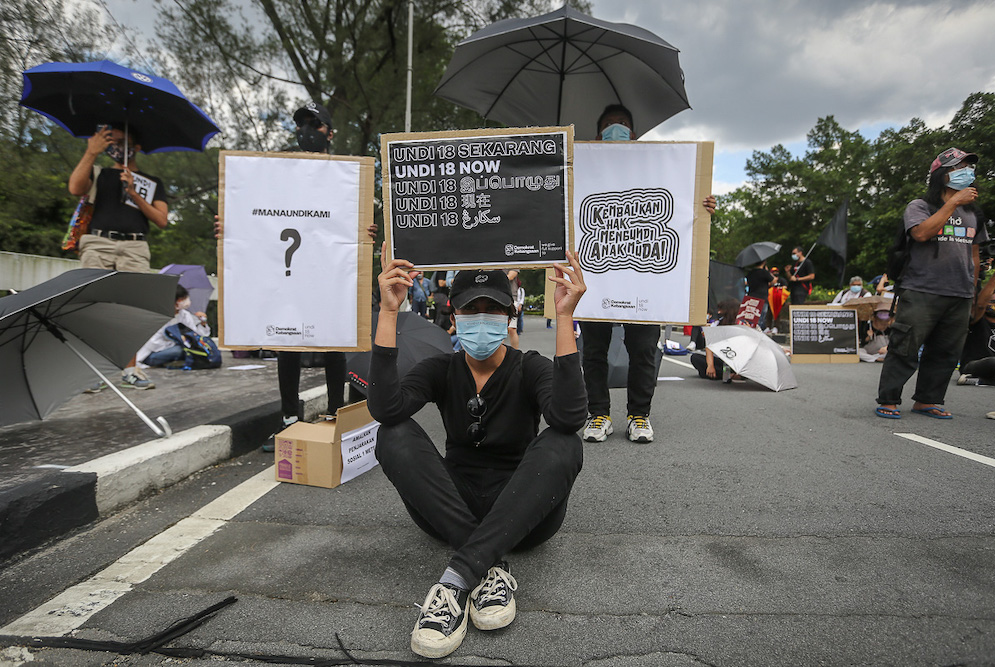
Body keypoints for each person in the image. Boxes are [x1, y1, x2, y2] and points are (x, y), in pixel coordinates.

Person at [369, 245, 588, 659]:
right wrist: (388, 311)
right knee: (392, 434)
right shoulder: (439, 369)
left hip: (523, 512)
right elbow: (386, 409)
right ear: (455, 319)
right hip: (453, 507)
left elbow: (569, 416)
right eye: (472, 311)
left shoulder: (531, 366)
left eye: (493, 311)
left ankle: (458, 578)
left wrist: (564, 318)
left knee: (564, 442)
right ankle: (489, 566)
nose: (482, 321)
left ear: (510, 319)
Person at [216, 101, 377, 449]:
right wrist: (230, 225)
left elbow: (353, 225)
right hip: (287, 270)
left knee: (334, 341)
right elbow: (257, 214)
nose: (307, 131)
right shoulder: (277, 173)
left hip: (325, 272)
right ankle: (289, 419)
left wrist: (367, 233)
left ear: (330, 133)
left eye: (315, 124)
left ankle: (336, 414)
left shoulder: (346, 178)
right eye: (302, 124)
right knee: (286, 342)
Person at [580, 103, 717, 444]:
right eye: (610, 124)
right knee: (593, 352)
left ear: (635, 135)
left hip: (645, 282)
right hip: (596, 282)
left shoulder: (657, 170)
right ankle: (598, 414)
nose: (617, 129)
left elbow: (682, 204)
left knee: (642, 350)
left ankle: (639, 416)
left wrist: (702, 205)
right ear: (598, 135)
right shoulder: (580, 171)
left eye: (622, 124)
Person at [875, 147, 989, 419]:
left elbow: (974, 255)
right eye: (959, 168)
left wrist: (972, 291)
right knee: (905, 346)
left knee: (946, 351)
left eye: (969, 168)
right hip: (922, 290)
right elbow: (922, 233)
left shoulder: (975, 215)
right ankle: (889, 399)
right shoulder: (920, 206)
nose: (967, 173)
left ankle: (928, 399)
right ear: (941, 175)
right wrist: (952, 203)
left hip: (959, 293)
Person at [69, 124, 169, 390]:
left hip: (135, 246)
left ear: (135, 147)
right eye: (111, 141)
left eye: (122, 142)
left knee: (131, 309)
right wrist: (91, 152)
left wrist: (134, 192)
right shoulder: (98, 173)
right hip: (98, 241)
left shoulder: (152, 182)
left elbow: (161, 220)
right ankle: (93, 374)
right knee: (92, 307)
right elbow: (75, 188)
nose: (115, 146)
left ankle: (130, 370)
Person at [136, 285, 211, 367]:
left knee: (200, 347)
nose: (185, 301)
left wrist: (203, 323)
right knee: (180, 350)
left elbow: (195, 334)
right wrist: (178, 341)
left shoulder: (184, 314)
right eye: (182, 299)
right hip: (152, 354)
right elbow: (154, 344)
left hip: (175, 348)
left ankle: (174, 362)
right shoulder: (158, 316)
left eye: (185, 298)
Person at [957, 260, 995, 386]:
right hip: (975, 364)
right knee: (994, 362)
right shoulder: (977, 321)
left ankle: (981, 381)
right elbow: (980, 305)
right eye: (993, 302)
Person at [691, 298, 740, 379]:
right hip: (721, 359)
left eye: (721, 310)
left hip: (736, 360)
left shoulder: (741, 325)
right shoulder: (716, 325)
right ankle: (726, 375)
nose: (718, 312)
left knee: (703, 373)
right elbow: (709, 346)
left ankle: (719, 374)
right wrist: (710, 365)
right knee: (695, 358)